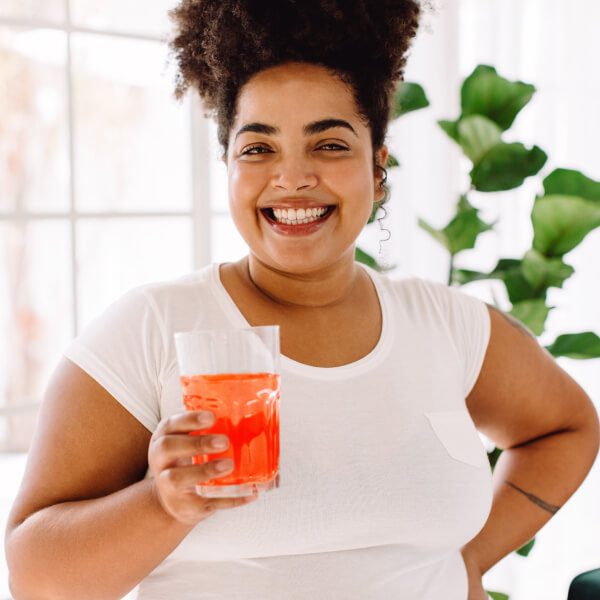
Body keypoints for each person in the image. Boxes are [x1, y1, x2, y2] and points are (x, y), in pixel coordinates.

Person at [5, 1, 599, 599]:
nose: (291, 178)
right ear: (228, 166)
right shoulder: (155, 327)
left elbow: (566, 428)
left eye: (330, 145)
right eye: (258, 149)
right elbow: (35, 579)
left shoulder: (445, 324)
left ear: (378, 164)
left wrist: (467, 562)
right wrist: (161, 504)